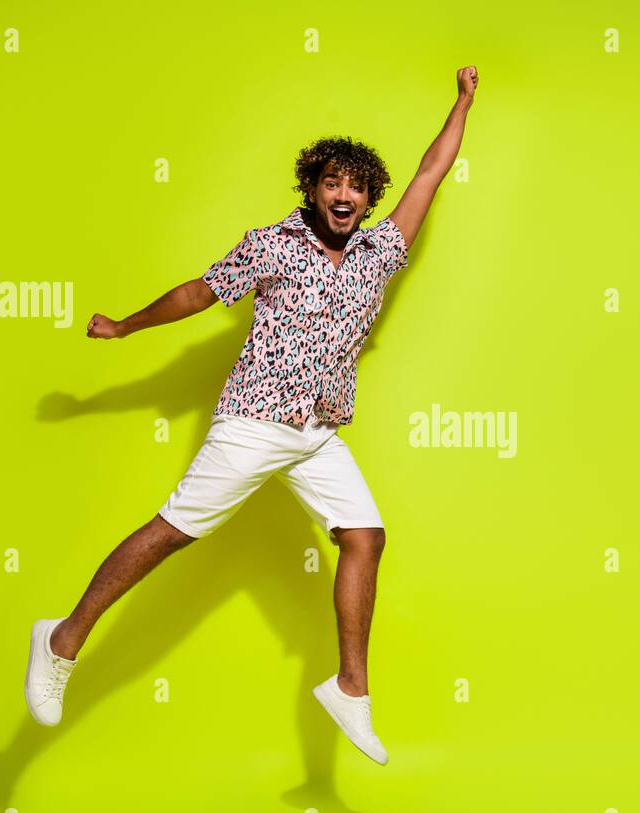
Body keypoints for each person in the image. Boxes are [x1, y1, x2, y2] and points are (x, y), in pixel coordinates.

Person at [25, 66, 480, 766]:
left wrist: (463, 102)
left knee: (365, 537)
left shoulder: (381, 251)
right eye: (333, 182)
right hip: (255, 420)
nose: (345, 196)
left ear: (367, 199)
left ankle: (350, 690)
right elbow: (199, 293)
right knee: (170, 533)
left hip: (317, 430)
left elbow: (429, 174)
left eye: (357, 187)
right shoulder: (271, 245)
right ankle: (62, 637)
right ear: (312, 187)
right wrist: (124, 326)